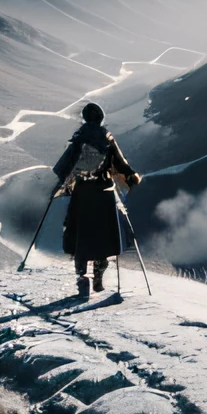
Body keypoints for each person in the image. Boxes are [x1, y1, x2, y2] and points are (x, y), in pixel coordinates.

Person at [51, 102, 141, 297]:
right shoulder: (106, 138)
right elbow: (120, 162)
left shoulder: (78, 138)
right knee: (103, 235)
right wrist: (132, 177)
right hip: (104, 191)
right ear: (101, 118)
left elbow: (64, 166)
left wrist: (58, 185)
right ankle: (99, 275)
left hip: (82, 191)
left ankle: (82, 278)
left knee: (80, 235)